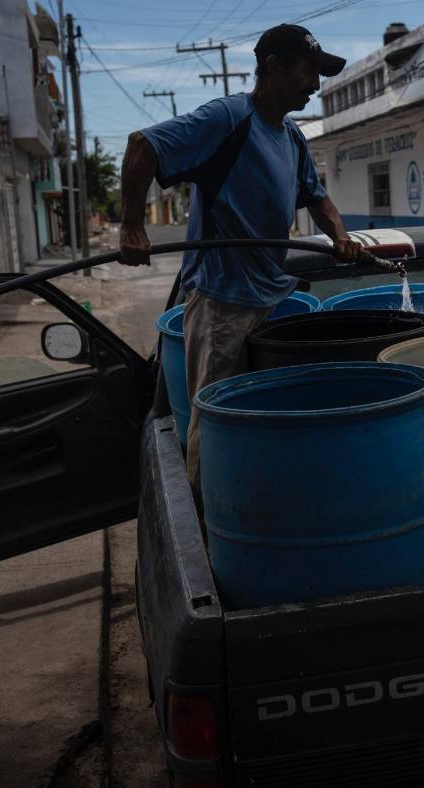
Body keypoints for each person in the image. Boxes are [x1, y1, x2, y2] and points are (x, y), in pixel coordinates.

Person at [117, 24, 363, 498]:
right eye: (309, 71)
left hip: (270, 300)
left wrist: (341, 237)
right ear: (273, 67)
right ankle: (206, 535)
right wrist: (132, 225)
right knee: (215, 429)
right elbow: (142, 145)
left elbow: (317, 196)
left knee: (261, 426)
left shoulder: (291, 136)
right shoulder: (230, 117)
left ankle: (256, 510)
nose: (315, 85)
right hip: (222, 306)